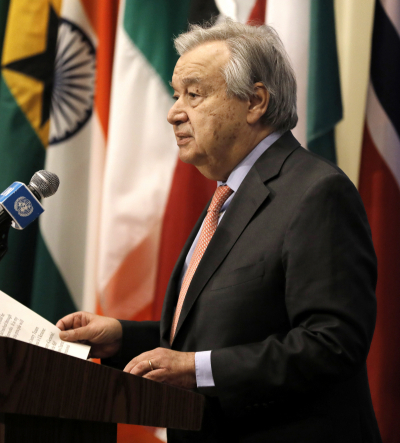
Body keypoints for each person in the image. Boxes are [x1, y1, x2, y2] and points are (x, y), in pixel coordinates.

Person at [57, 18, 381, 442]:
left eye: (194, 94)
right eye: (176, 94)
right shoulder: (229, 197)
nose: (174, 113)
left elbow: (333, 344)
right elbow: (222, 332)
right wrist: (122, 338)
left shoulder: (316, 192)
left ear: (255, 102)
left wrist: (196, 370)